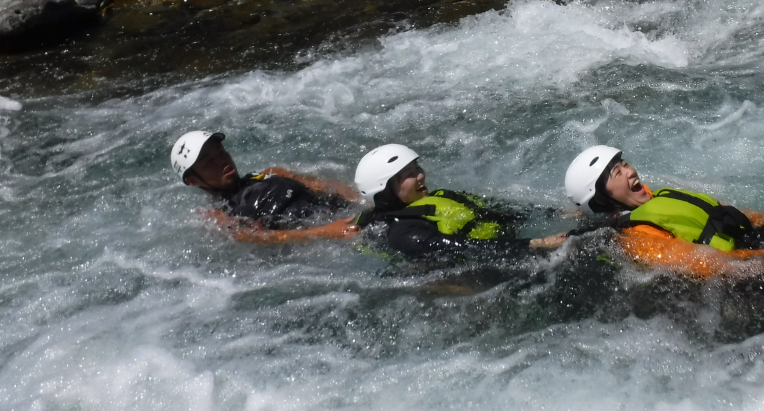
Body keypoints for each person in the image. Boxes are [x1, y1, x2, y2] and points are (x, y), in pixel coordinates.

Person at [564, 145, 764, 276]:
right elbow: (703, 265)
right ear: (604, 200)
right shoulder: (637, 236)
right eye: (618, 173)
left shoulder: (662, 195)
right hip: (747, 272)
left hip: (753, 246)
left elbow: (724, 214)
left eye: (625, 164)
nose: (630, 172)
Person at [352, 144, 566, 260]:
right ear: (385, 191)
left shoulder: (441, 197)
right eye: (409, 175)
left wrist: (555, 213)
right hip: (469, 267)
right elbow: (464, 248)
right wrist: (533, 244)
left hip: (504, 247)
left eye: (417, 169)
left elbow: (496, 210)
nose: (420, 176)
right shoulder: (402, 232)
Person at [171, 130, 359, 243]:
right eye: (208, 162)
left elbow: (327, 187)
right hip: (328, 233)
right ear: (193, 181)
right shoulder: (214, 215)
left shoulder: (273, 172)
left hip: (344, 215)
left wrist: (364, 200)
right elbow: (255, 237)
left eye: (221, 152)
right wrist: (326, 232)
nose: (221, 162)